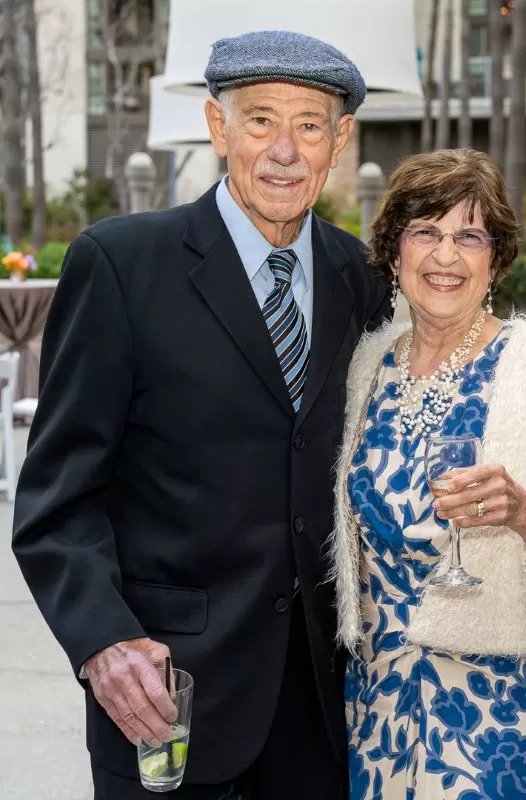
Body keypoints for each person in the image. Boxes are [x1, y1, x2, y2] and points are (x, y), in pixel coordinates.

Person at [11, 31, 390, 799]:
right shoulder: (120, 264)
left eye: (310, 125)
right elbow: (56, 499)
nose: (284, 150)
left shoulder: (362, 276)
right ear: (218, 129)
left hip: (324, 709)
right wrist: (102, 640)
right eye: (260, 121)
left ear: (339, 141)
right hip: (165, 694)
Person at [331, 148, 526, 799]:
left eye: (469, 236)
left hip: (512, 713)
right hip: (380, 705)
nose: (446, 257)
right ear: (394, 252)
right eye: (426, 233)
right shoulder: (365, 367)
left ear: (495, 259)